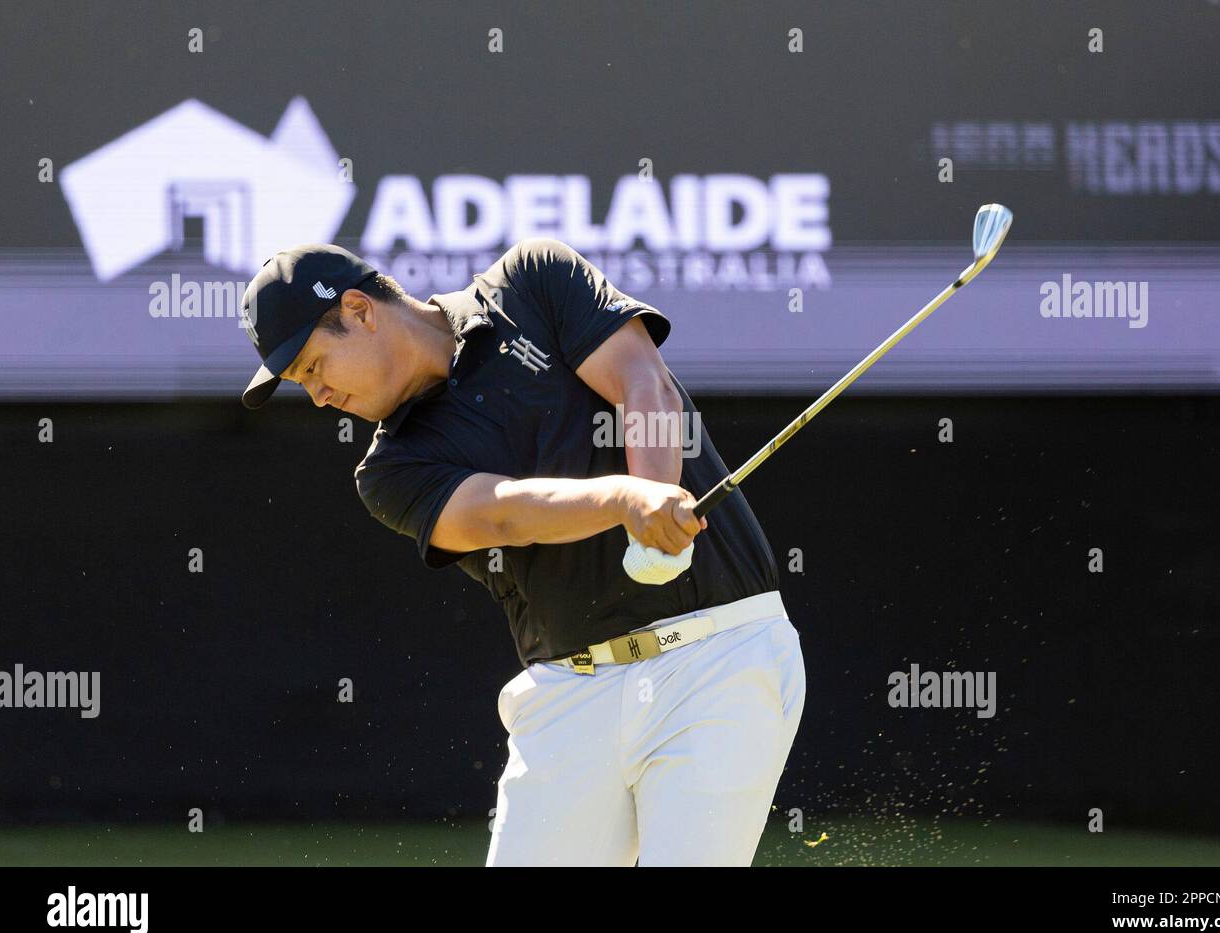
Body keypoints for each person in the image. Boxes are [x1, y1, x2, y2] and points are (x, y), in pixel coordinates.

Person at [239, 239, 806, 866]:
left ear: (359, 310)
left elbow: (643, 383)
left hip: (716, 654)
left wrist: (654, 494)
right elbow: (503, 512)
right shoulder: (388, 473)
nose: (318, 397)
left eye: (313, 367)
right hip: (571, 691)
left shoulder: (532, 281)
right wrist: (627, 500)